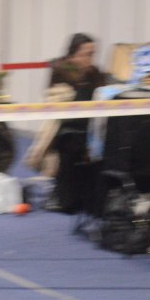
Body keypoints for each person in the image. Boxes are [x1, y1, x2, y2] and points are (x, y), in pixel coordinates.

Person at [46, 33, 107, 213]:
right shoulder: (61, 69)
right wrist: (81, 78)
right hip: (67, 126)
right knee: (72, 141)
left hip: (91, 127)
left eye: (93, 53)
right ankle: (67, 197)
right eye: (86, 54)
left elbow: (102, 94)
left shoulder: (94, 72)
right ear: (73, 54)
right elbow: (56, 101)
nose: (90, 58)